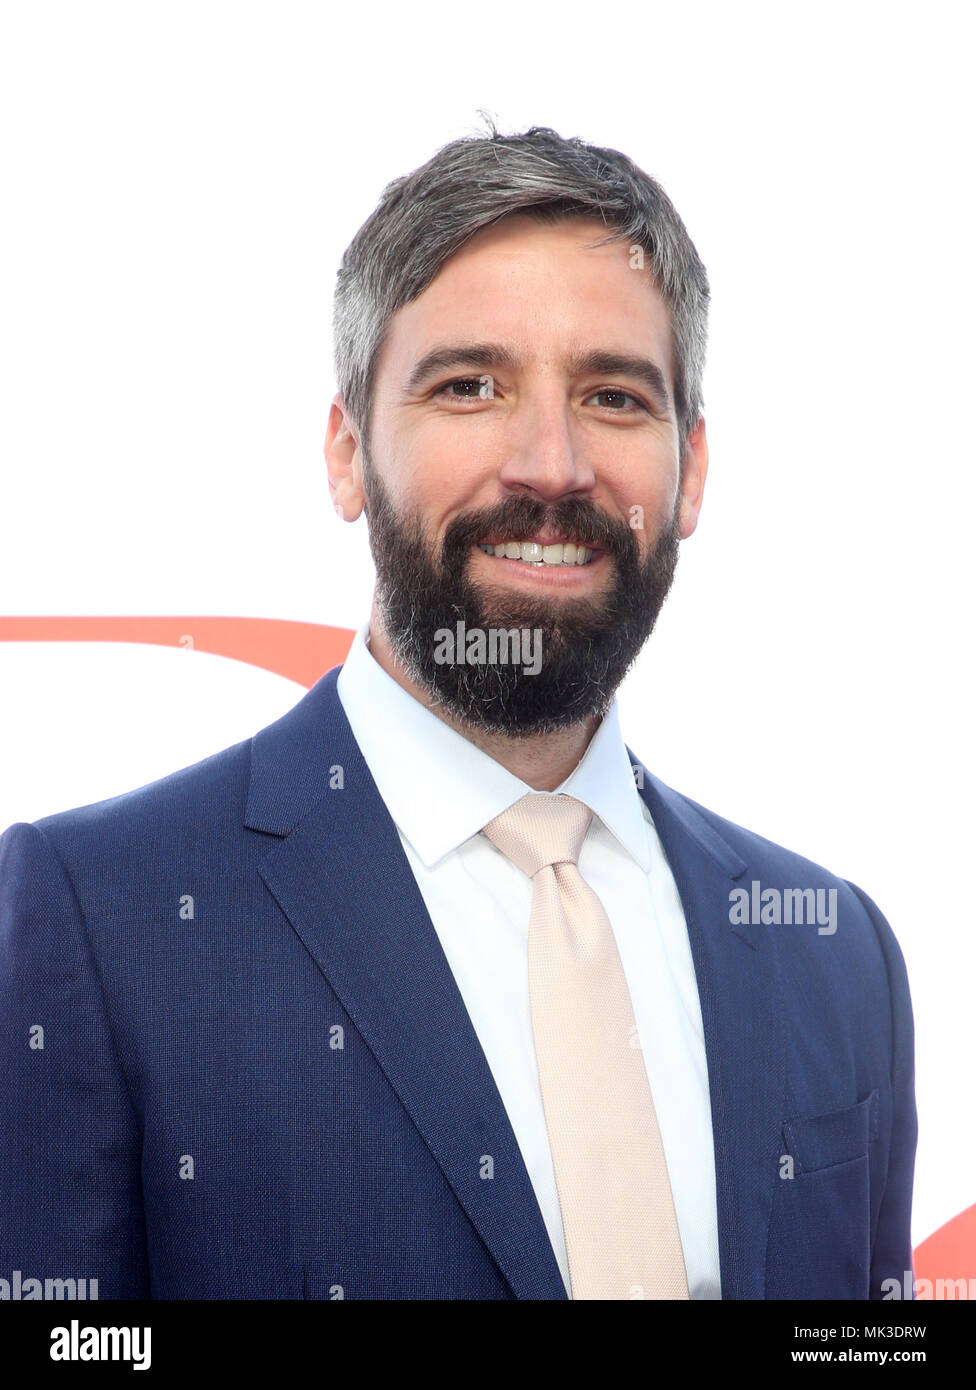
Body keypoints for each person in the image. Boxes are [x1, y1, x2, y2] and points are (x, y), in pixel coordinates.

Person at [0, 123, 916, 1300]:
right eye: (470, 386)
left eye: (613, 395)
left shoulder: (833, 953)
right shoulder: (97, 922)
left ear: (689, 472)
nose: (551, 463)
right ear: (346, 452)